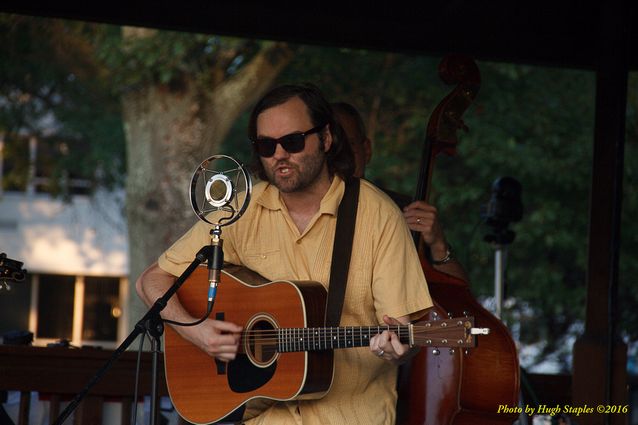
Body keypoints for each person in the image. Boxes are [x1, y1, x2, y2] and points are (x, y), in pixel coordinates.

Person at [136, 84, 433, 425]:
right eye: (266, 145)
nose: (279, 154)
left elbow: (402, 335)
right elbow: (152, 281)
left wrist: (398, 348)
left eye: (292, 141)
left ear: (325, 139)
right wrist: (198, 331)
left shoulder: (378, 215)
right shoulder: (240, 212)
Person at [332, 102, 469, 282]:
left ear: (366, 150)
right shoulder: (299, 216)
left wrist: (438, 245)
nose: (342, 158)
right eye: (332, 149)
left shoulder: (404, 210)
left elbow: (459, 299)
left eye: (349, 146)